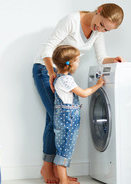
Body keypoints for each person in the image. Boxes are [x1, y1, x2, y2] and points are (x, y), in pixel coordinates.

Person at [32, 3, 124, 183]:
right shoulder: (72, 20)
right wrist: (52, 72)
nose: (101, 29)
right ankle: (50, 169)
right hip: (45, 69)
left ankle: (53, 169)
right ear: (98, 11)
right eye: (102, 24)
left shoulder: (98, 32)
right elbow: (48, 47)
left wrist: (112, 60)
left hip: (62, 75)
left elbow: (101, 58)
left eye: (107, 30)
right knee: (57, 119)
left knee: (54, 119)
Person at [52, 45, 104, 184]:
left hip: (63, 117)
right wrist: (98, 85)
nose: (79, 63)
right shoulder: (66, 80)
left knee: (63, 147)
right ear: (69, 64)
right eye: (77, 61)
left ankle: (65, 178)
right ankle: (64, 181)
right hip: (67, 119)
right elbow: (84, 93)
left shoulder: (58, 78)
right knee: (65, 150)